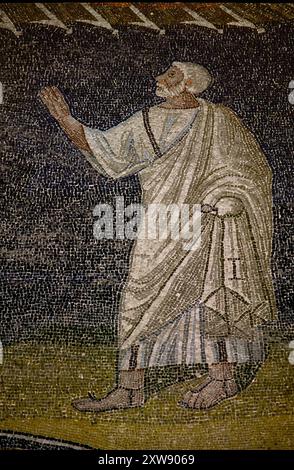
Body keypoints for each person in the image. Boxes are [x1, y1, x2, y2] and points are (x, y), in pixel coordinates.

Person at [40, 62, 276, 411]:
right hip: (161, 225)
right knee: (138, 299)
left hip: (207, 224)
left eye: (170, 76)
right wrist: (66, 120)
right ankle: (130, 389)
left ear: (189, 85)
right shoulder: (148, 120)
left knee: (211, 299)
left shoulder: (219, 120)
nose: (159, 80)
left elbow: (248, 170)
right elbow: (107, 150)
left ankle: (222, 379)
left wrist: (228, 196)